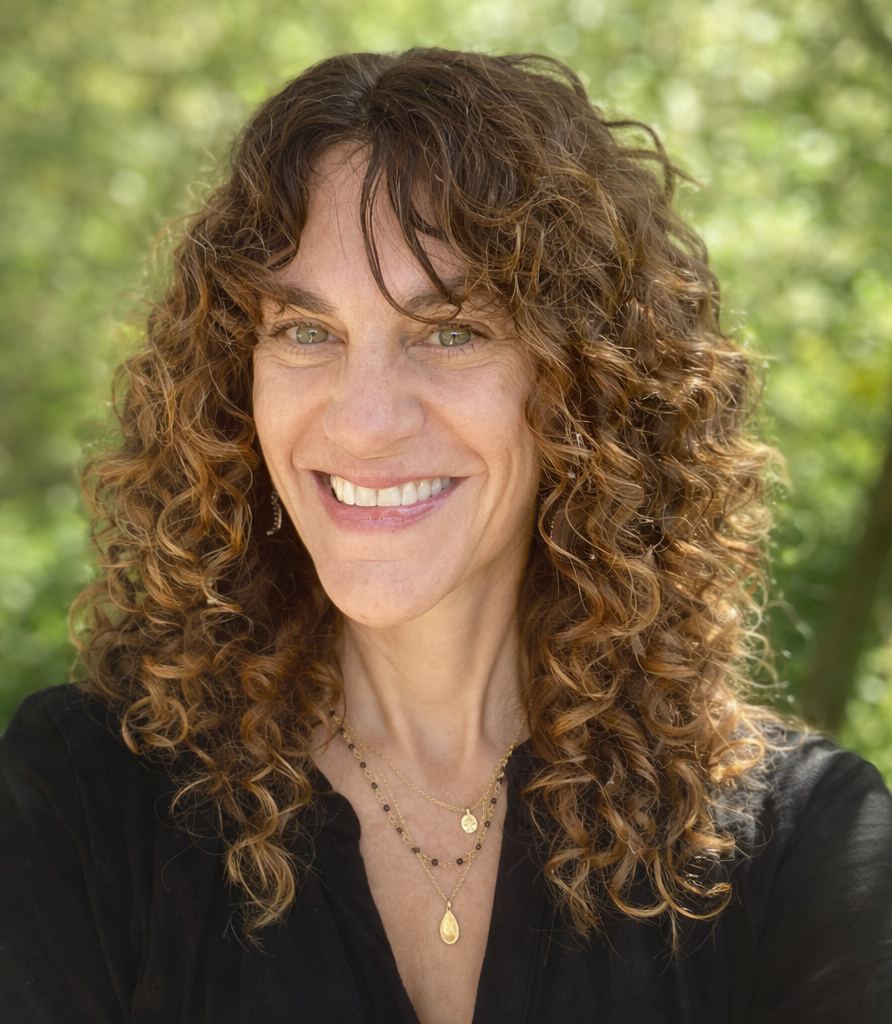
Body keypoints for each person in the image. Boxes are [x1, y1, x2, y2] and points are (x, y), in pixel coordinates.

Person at [1, 48, 890, 1024]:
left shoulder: (805, 846)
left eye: (450, 330)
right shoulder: (80, 803)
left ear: (583, 385)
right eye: (306, 331)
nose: (364, 421)